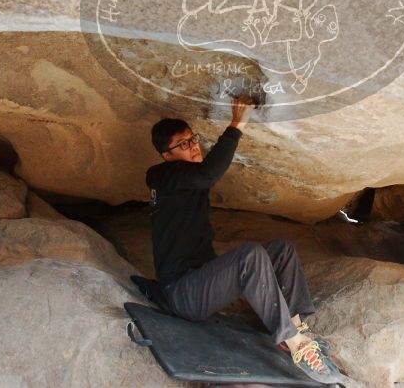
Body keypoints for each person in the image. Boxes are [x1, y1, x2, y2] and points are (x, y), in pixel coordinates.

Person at [145, 95, 342, 384]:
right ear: (167, 155)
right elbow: (208, 174)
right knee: (249, 255)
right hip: (182, 294)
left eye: (193, 138)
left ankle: (295, 324)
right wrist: (237, 123)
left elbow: (202, 175)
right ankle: (293, 342)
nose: (194, 145)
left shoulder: (183, 177)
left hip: (202, 280)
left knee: (282, 249)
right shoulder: (161, 176)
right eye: (184, 144)